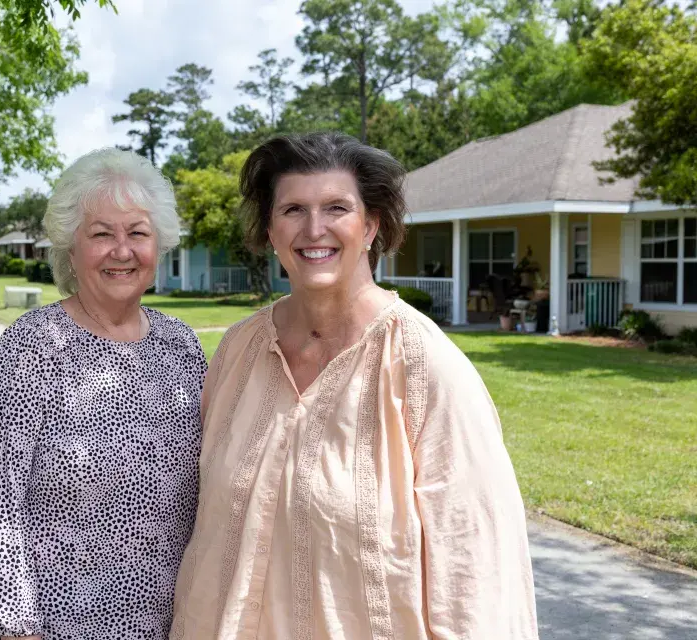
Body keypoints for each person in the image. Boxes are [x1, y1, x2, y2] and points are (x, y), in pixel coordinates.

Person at [170, 133, 538, 639]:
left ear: (370, 226)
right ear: (271, 231)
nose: (314, 228)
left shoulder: (424, 366)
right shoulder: (239, 351)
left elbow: (476, 571)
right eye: (293, 209)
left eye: (336, 208)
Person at [0, 148, 208, 640]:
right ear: (70, 250)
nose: (122, 250)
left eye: (138, 233)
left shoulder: (181, 346)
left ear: (159, 245)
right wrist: (17, 629)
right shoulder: (34, 346)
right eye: (101, 234)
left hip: (177, 624)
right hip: (60, 627)